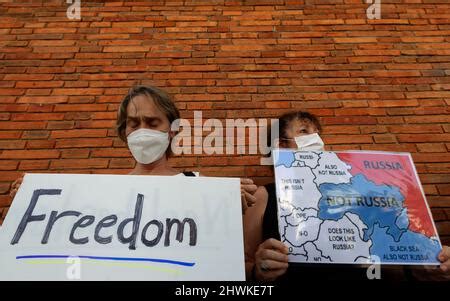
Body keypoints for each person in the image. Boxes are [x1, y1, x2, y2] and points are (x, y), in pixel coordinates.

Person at [244, 110, 450, 281]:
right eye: (304, 131)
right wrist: (257, 271)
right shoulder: (264, 196)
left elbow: (395, 252)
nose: (317, 139)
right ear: (282, 145)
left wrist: (432, 262)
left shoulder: (356, 191)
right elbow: (243, 264)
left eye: (318, 133)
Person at [10, 85, 257, 214]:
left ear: (171, 129)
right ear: (124, 130)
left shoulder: (199, 184)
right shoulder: (102, 192)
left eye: (152, 122)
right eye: (133, 123)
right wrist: (34, 199)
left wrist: (228, 199)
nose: (141, 130)